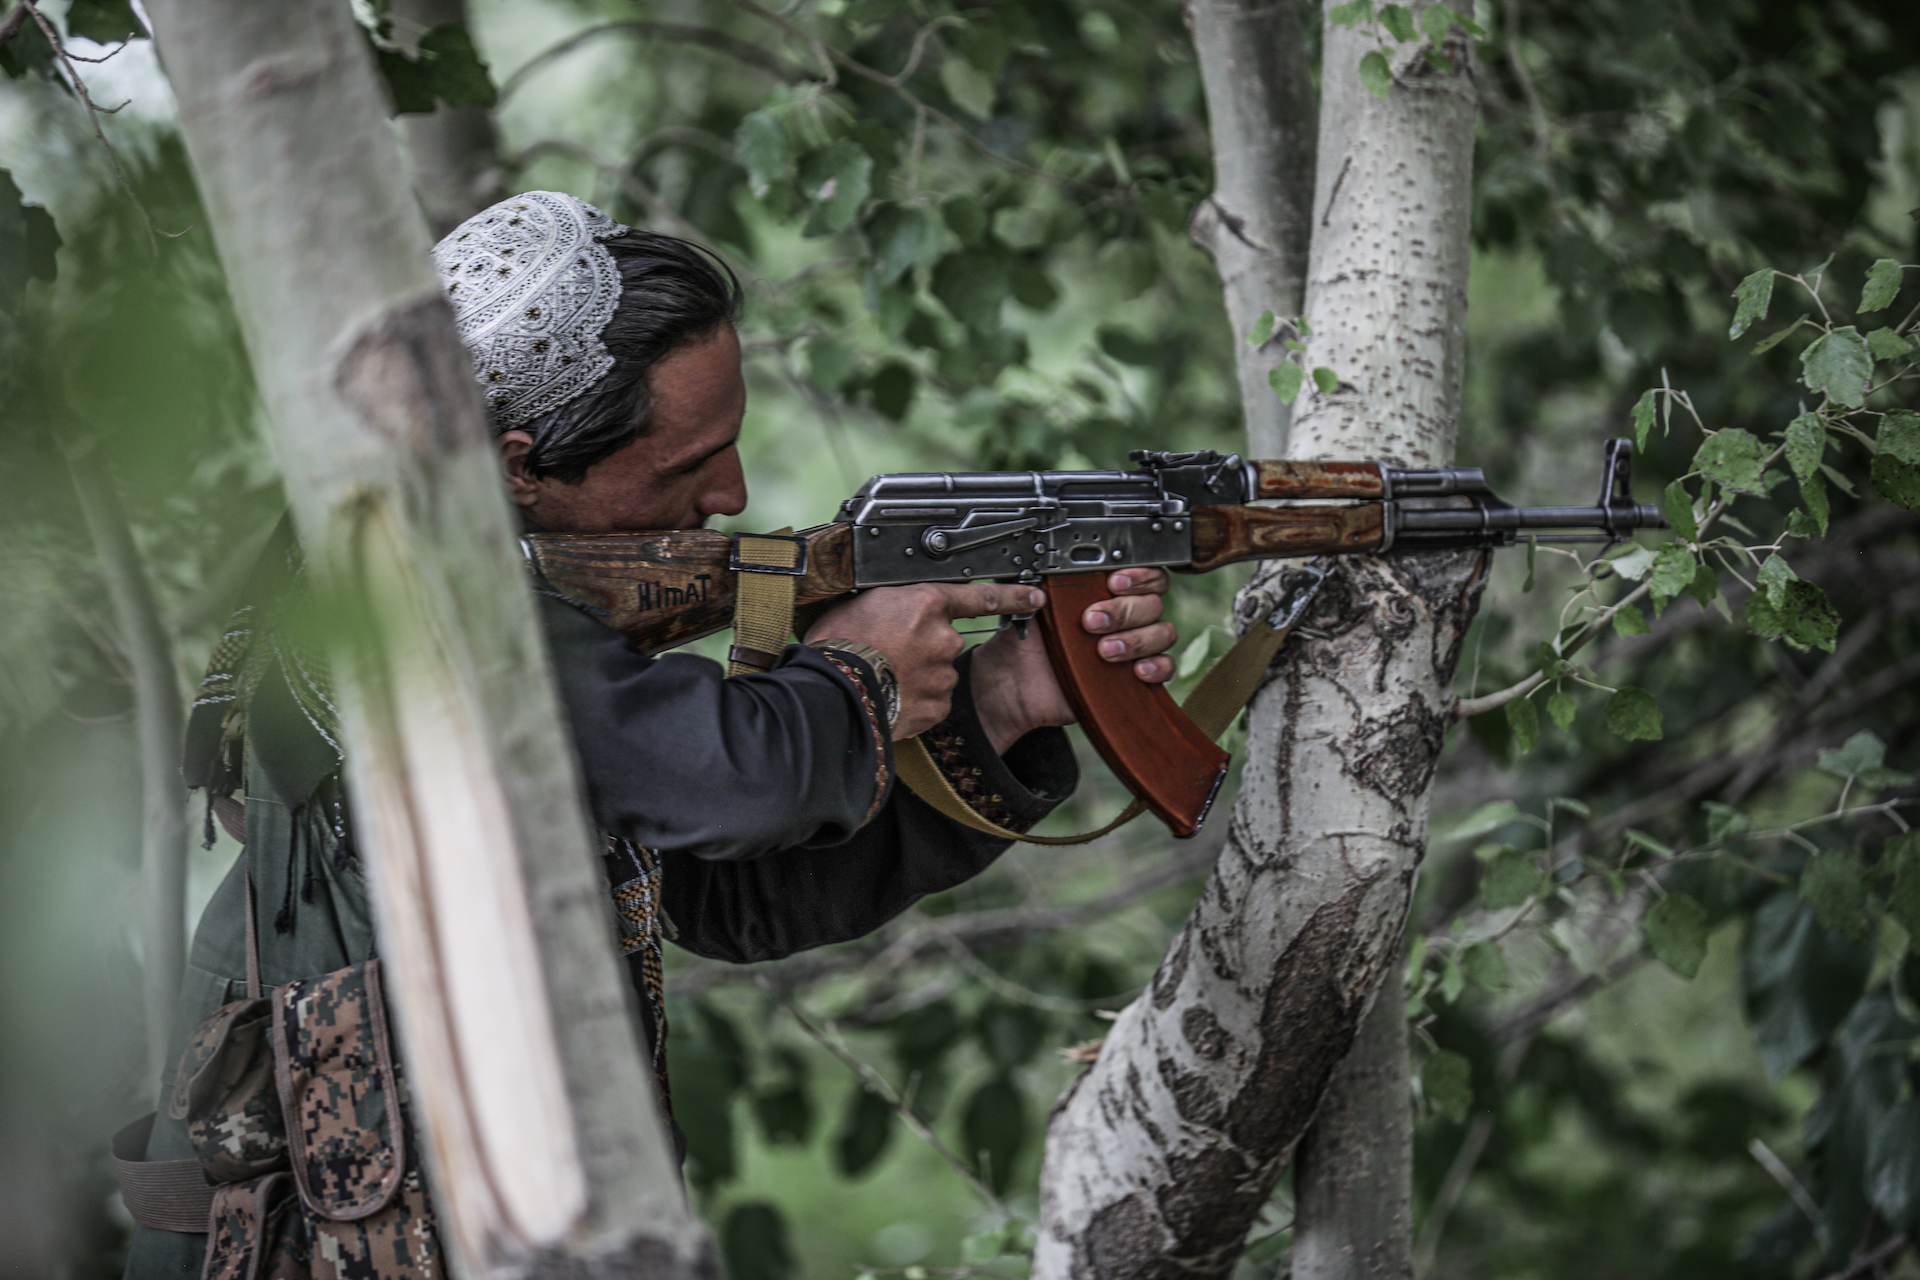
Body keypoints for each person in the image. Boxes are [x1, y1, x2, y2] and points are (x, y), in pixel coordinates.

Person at [120, 192, 1178, 1278]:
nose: (734, 493)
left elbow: (731, 893)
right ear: (522, 464)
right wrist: (856, 665)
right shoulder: (412, 599)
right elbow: (742, 783)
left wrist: (999, 701)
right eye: (687, 466)